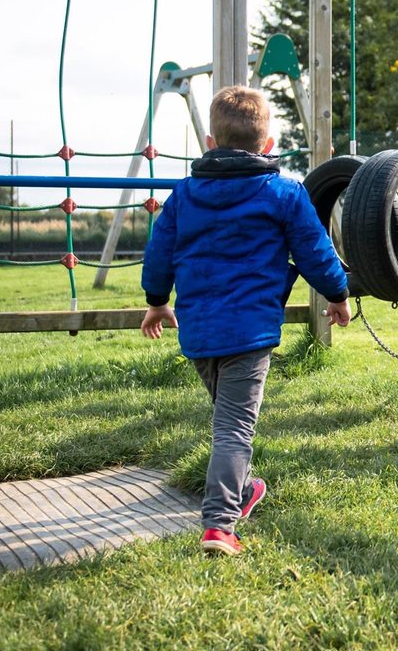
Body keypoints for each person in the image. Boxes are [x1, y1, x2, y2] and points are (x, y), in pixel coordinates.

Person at [140, 85, 351, 556]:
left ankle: (246, 488)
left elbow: (159, 254)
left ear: (210, 144)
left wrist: (157, 301)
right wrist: (338, 295)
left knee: (227, 421)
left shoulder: (183, 196)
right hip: (250, 332)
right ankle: (219, 525)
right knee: (233, 428)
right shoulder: (283, 194)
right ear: (268, 146)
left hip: (198, 331)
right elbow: (315, 252)